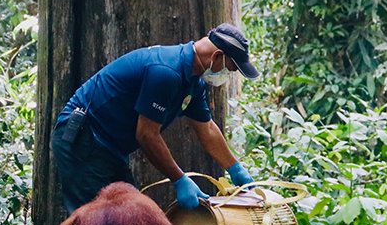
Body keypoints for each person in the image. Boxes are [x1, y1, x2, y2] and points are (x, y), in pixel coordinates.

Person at [52, 23, 258, 213]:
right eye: (229, 69)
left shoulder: (194, 83)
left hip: (110, 149)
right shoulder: (166, 72)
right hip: (84, 138)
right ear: (217, 56)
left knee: (129, 217)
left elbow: (207, 129)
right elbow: (146, 135)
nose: (227, 75)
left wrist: (235, 167)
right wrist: (179, 179)